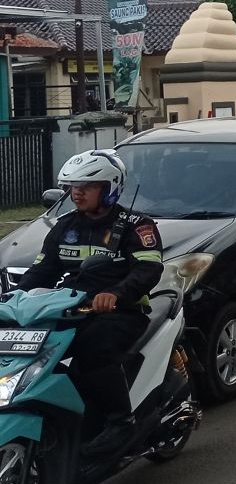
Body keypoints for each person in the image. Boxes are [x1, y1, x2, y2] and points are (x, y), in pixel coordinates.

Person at [18, 149, 164, 457]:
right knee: (33, 348)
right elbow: (42, 270)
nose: (77, 192)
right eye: (72, 185)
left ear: (109, 188)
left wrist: (116, 294)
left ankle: (120, 421)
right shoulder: (65, 226)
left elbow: (148, 268)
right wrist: (13, 298)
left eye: (88, 185)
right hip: (70, 309)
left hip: (121, 311)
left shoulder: (137, 226)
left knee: (92, 347)